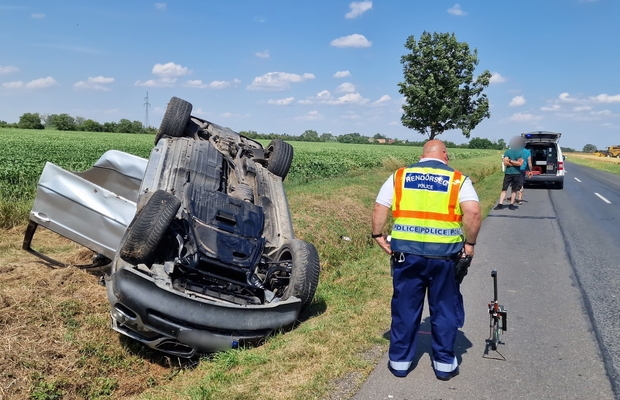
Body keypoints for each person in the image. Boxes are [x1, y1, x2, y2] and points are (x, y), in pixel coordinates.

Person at [371, 140, 481, 381]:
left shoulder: (399, 176)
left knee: (405, 307)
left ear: (422, 155)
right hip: (445, 258)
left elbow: (381, 206)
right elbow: (472, 212)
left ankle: (399, 362)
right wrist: (470, 244)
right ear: (445, 155)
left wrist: (378, 235)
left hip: (406, 256)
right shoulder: (458, 180)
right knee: (443, 308)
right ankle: (443, 364)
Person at [494, 137, 527, 210]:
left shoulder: (521, 153)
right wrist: (515, 162)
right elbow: (505, 163)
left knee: (514, 189)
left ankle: (511, 204)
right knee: (504, 189)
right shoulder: (507, 152)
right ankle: (500, 204)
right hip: (508, 173)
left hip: (517, 173)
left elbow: (520, 164)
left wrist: (511, 161)